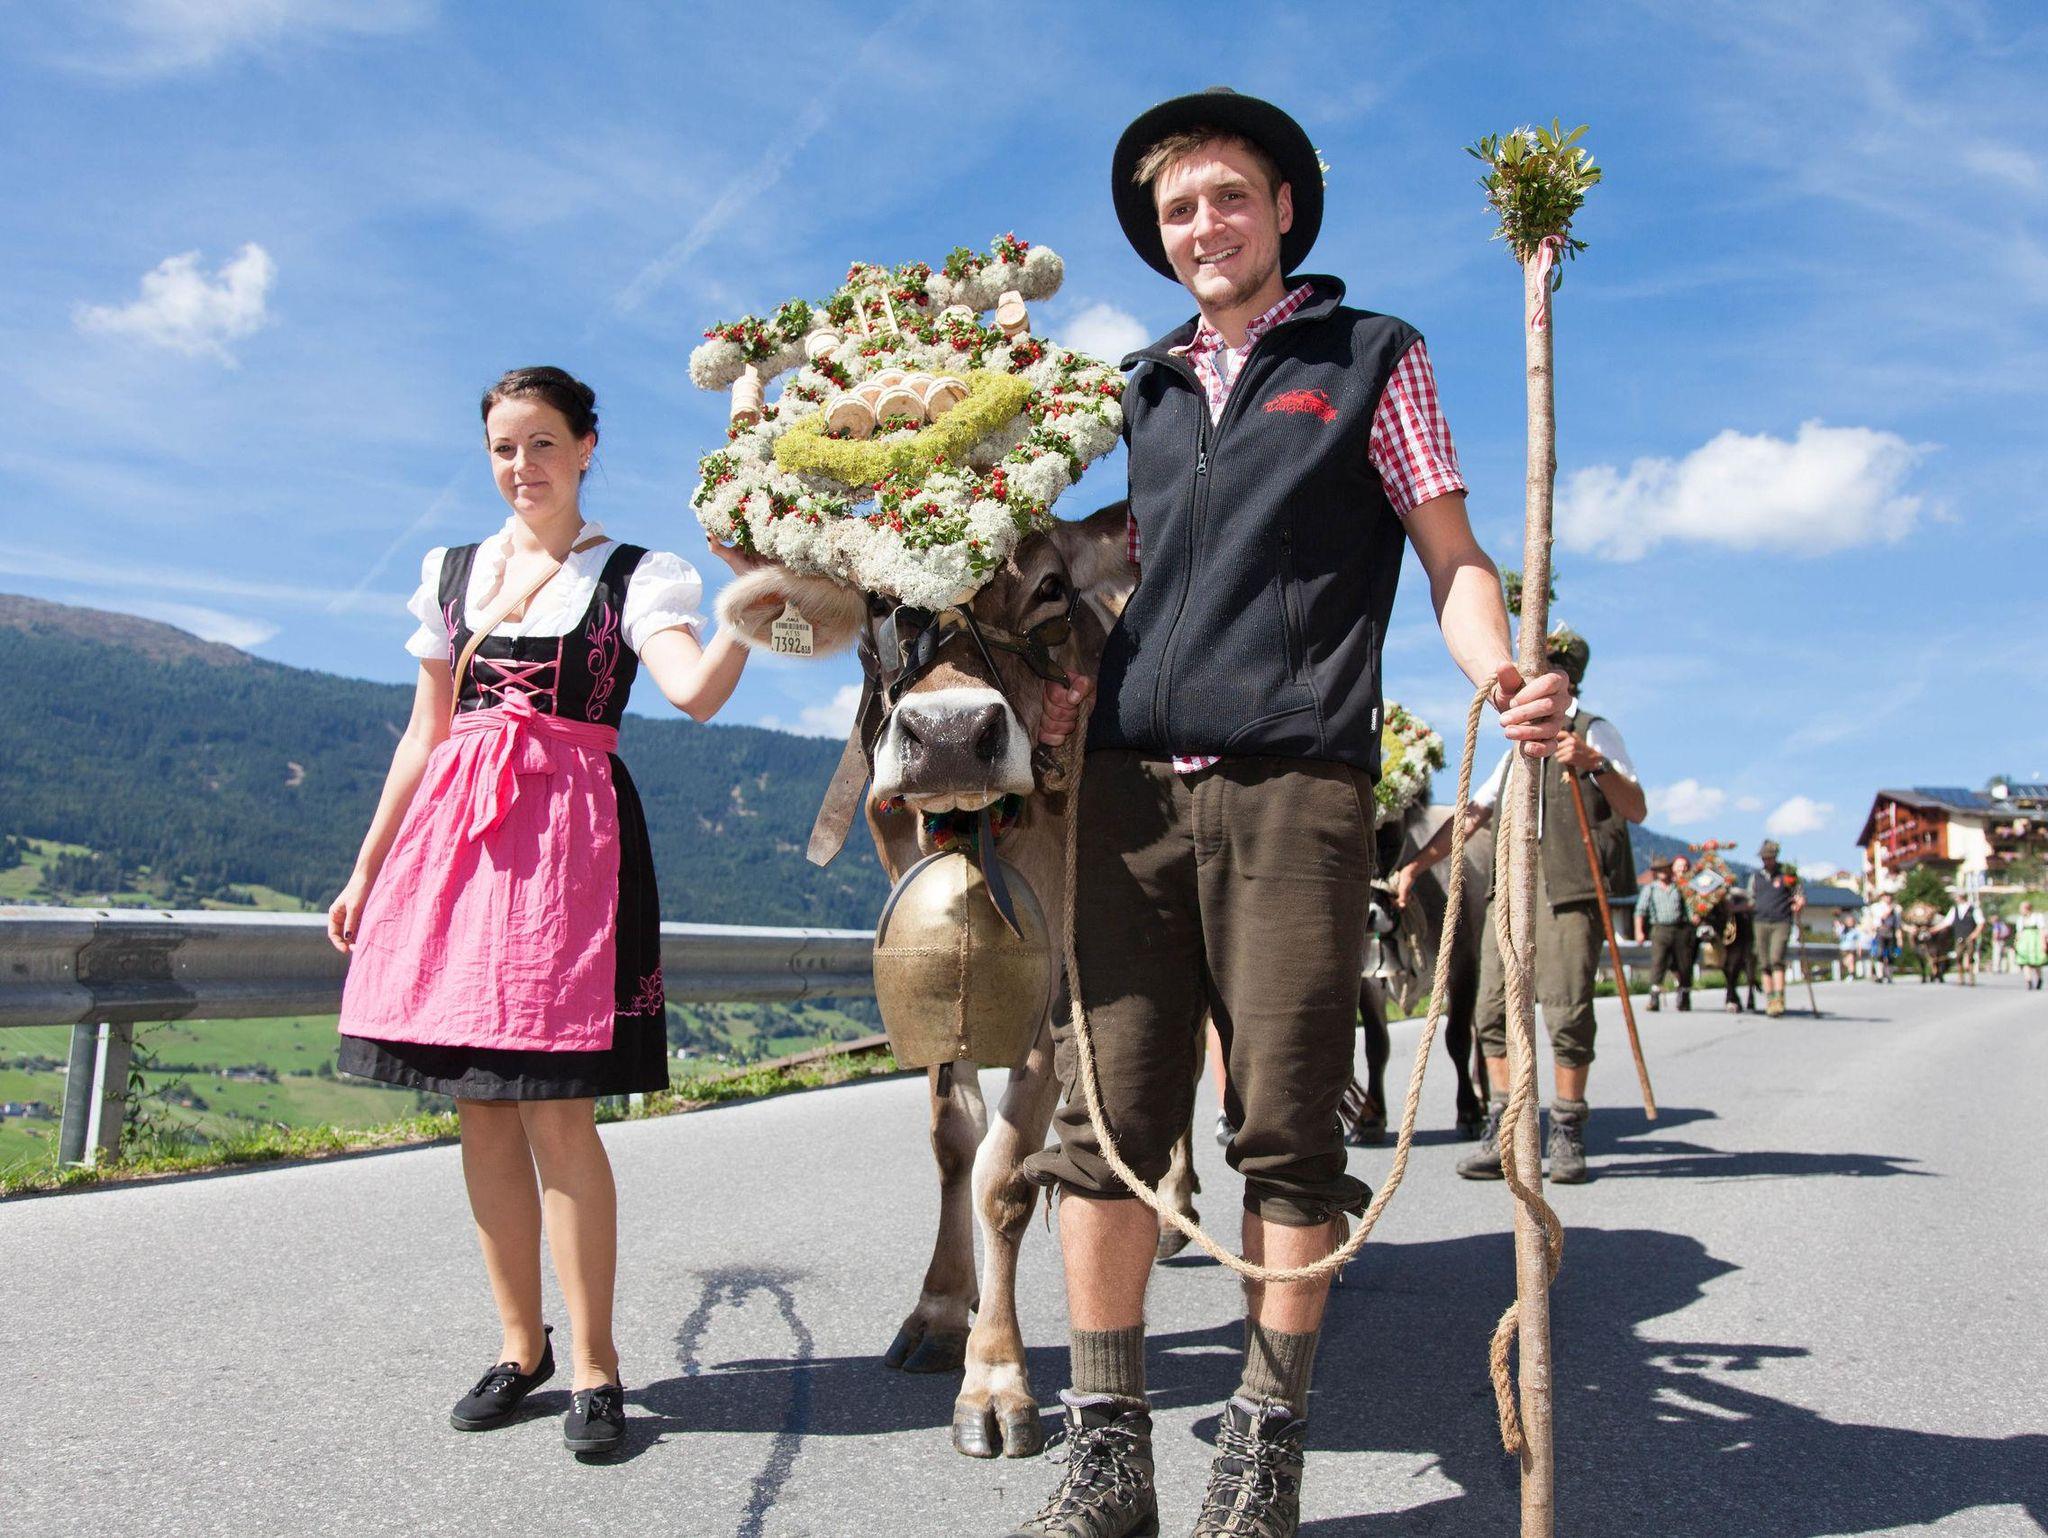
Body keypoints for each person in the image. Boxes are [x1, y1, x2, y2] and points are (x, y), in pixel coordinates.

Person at [1021, 88, 1568, 1538]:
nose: (1202, 224)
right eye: (1177, 209)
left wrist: (1501, 668)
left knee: (1284, 1132)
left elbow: (1450, 555)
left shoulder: (1371, 356)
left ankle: (1262, 1453)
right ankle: (1108, 1455)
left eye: (1227, 197)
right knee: (1104, 1126)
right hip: (1126, 791)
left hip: (1293, 788)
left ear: (1281, 211)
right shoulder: (1137, 388)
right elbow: (1109, 575)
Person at [327, 367, 770, 1459]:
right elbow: (425, 733)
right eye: (502, 447)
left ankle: (596, 1364)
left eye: (540, 443)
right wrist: (366, 867)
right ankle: (519, 1345)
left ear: (585, 447)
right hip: (456, 849)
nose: (520, 465)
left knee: (558, 1113)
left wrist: (752, 598)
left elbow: (696, 694)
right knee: (481, 1112)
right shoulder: (452, 573)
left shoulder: (637, 575)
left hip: (572, 851)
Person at [1396, 628, 1644, 1188]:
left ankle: (1568, 1128)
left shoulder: (1593, 730)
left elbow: (1636, 808)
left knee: (1567, 1011)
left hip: (1568, 890)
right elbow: (1472, 815)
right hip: (1509, 889)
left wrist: (1594, 763)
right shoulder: (1517, 746)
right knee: (1490, 1011)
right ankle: (1504, 1129)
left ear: (1566, 674)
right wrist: (1415, 865)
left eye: (1546, 664)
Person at [1748, 841, 1804, 1016]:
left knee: (1776, 959)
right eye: (1764, 858)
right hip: (1760, 921)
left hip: (1781, 921)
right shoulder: (1756, 877)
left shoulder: (1786, 875)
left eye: (1769, 857)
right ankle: (1770, 1000)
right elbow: (1750, 899)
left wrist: (1799, 902)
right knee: (1764, 963)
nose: (1766, 861)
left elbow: (1798, 894)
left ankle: (1779, 998)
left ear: (1775, 857)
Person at [1635, 856, 1689, 1012]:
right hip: (1659, 929)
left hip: (1679, 928)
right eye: (1659, 870)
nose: (1662, 872)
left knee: (1682, 964)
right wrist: (1639, 931)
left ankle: (1683, 995)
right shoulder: (1650, 889)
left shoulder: (1678, 887)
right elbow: (1640, 911)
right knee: (1658, 962)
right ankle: (1654, 997)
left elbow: (1688, 908)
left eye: (1665, 869)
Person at [1670, 853, 1702, 995]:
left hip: (1689, 927)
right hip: (1672, 927)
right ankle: (1680, 983)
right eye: (1679, 866)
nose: (1682, 869)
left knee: (1687, 961)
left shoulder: (1694, 886)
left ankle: (1684, 990)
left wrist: (1698, 914)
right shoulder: (1669, 885)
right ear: (1673, 868)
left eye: (1685, 866)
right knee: (1671, 960)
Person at [2015, 899, 2046, 990]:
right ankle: (2028, 980)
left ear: (2026, 908)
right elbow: (2019, 932)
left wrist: (2043, 943)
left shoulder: (2037, 917)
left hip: (2035, 941)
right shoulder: (2020, 919)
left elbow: (2042, 930)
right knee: (2025, 961)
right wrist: (2016, 942)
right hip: (2024, 942)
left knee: (2036, 962)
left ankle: (2039, 979)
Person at [1871, 891, 1902, 984]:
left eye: (1889, 896)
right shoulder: (1876, 907)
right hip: (1880, 932)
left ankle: (1889, 975)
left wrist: (1899, 938)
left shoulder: (1896, 909)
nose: (1888, 898)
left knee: (1891, 955)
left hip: (1891, 933)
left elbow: (1898, 925)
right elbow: (1880, 918)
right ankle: (1880, 975)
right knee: (1879, 954)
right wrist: (1889, 910)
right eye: (1886, 896)